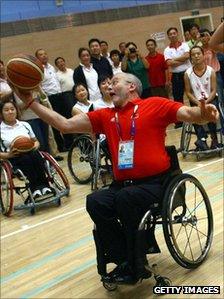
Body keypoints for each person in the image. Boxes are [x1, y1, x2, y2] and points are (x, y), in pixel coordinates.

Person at [11, 72, 219, 284]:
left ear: (131, 87)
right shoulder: (105, 115)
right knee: (95, 200)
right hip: (122, 186)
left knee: (125, 198)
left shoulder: (154, 104)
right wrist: (31, 102)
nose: (109, 86)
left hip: (157, 183)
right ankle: (124, 259)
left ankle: (136, 262)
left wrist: (203, 114)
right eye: (107, 83)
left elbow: (188, 113)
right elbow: (64, 124)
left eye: (115, 82)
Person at [0, 100, 52, 199]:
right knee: (26, 159)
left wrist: (35, 146)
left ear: (16, 110)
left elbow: (36, 141)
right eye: (6, 110)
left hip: (31, 152)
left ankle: (45, 186)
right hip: (14, 158)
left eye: (12, 109)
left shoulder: (25, 125)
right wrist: (8, 155)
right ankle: (34, 189)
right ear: (1, 113)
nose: (10, 112)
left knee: (36, 155)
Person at [35, 48, 74, 152]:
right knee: (55, 121)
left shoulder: (51, 67)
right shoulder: (38, 69)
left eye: (45, 53)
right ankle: (61, 146)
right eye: (41, 55)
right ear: (37, 58)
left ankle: (70, 143)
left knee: (66, 118)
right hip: (50, 97)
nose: (44, 56)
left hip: (60, 95)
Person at [184, 46, 220, 150]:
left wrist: (206, 102)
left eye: (198, 53)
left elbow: (214, 90)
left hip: (210, 99)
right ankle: (202, 139)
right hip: (196, 100)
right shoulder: (187, 73)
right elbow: (188, 92)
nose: (196, 56)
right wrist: (199, 103)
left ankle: (214, 139)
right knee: (193, 114)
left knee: (211, 112)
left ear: (203, 55)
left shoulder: (211, 71)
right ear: (191, 58)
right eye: (193, 55)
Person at [164, 27, 191, 128]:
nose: (172, 35)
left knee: (192, 95)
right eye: (170, 34)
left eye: (174, 33)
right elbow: (169, 63)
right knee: (178, 98)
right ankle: (180, 120)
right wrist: (181, 60)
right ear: (168, 36)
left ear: (177, 34)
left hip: (187, 73)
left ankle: (198, 115)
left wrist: (174, 60)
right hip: (176, 76)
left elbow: (187, 56)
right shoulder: (167, 49)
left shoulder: (185, 45)